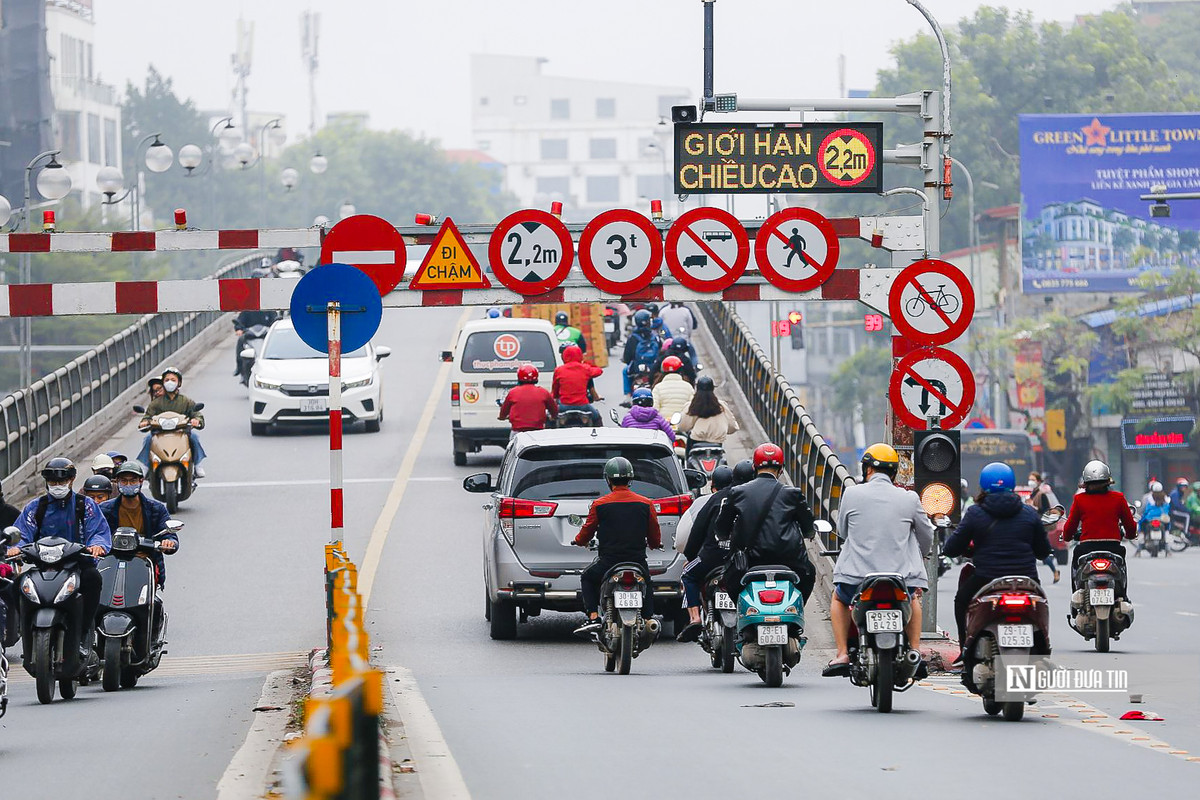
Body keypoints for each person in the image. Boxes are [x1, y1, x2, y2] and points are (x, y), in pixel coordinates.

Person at [823, 443, 933, 677]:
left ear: (868, 470)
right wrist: (921, 554)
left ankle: (842, 653)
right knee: (913, 597)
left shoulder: (852, 493)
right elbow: (926, 535)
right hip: (901, 578)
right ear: (893, 472)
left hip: (857, 577)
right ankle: (914, 651)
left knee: (839, 599)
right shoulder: (909, 498)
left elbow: (842, 531)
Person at [943, 462, 1054, 664]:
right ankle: (1043, 644)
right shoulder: (1029, 513)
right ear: (1012, 485)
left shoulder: (975, 513)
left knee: (961, 601)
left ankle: (965, 650)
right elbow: (1043, 551)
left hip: (986, 579)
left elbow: (951, 549)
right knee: (1041, 603)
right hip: (1026, 580)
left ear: (983, 486)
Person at [6, 458, 111, 659]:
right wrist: (15, 548)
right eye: (53, 482)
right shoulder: (36, 507)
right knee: (16, 585)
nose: (57, 486)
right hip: (43, 568)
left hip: (77, 567)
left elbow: (98, 531)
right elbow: (22, 532)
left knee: (93, 579)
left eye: (61, 482)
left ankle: (82, 634)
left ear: (72, 480)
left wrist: (97, 546)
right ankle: (28, 632)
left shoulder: (85, 506)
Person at [715, 442, 816, 615]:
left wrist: (724, 536)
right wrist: (809, 533)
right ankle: (795, 612)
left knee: (728, 580)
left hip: (749, 562)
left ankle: (743, 617)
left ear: (754, 467)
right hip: (790, 561)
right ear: (781, 468)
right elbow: (808, 526)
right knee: (809, 573)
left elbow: (722, 528)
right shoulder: (793, 494)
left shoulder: (737, 492)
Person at [571, 457, 662, 636]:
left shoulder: (600, 504)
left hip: (609, 562)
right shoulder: (646, 503)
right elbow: (654, 533)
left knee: (587, 578)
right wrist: (654, 544)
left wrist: (579, 541)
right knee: (648, 583)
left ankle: (594, 616)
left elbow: (586, 532)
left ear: (608, 479)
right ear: (630, 479)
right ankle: (649, 617)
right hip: (636, 561)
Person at [675, 464, 739, 642]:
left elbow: (697, 531)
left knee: (687, 574)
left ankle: (694, 618)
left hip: (710, 558)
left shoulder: (711, 500)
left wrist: (691, 556)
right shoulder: (745, 497)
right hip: (737, 560)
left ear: (713, 487)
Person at [1062, 460, 1137, 599]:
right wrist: (1131, 534)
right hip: (1113, 548)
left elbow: (1070, 527)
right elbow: (1130, 526)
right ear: (1107, 482)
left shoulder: (1079, 499)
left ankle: (1076, 596)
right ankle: (1123, 596)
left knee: (1075, 565)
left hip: (1086, 549)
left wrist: (1066, 537)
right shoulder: (1118, 498)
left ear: (1086, 483)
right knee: (1121, 569)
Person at [99, 461, 177, 588]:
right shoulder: (104, 509)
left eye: (133, 480)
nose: (128, 484)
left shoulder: (156, 509)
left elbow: (169, 535)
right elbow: (95, 533)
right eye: (124, 481)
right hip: (112, 564)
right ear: (117, 481)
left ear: (141, 481)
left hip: (143, 564)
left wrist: (168, 542)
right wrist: (96, 546)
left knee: (154, 604)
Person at [137, 367, 207, 478]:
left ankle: (197, 465)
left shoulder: (185, 401)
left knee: (194, 437)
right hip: (159, 433)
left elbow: (196, 413)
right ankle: (146, 466)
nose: (170, 382)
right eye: (167, 380)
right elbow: (147, 416)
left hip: (182, 432)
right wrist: (145, 422)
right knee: (148, 439)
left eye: (173, 380)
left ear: (179, 383)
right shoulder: (156, 403)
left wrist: (196, 420)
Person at [676, 376, 739, 447]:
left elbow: (682, 426)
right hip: (717, 443)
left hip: (696, 442)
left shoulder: (692, 406)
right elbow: (732, 426)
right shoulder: (721, 406)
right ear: (712, 389)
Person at [551, 344, 602, 425]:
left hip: (564, 406)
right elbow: (599, 371)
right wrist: (588, 364)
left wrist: (555, 397)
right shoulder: (585, 368)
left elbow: (555, 390)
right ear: (580, 356)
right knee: (596, 417)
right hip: (583, 405)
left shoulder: (559, 370)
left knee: (551, 419)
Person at [498, 364, 557, 433]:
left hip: (518, 430)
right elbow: (554, 409)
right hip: (538, 430)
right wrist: (553, 416)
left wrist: (502, 417)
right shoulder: (543, 392)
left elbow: (504, 411)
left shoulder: (513, 392)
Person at [622, 309, 662, 398]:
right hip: (654, 368)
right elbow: (661, 353)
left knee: (625, 371)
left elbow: (627, 358)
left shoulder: (632, 338)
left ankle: (627, 396)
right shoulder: (656, 337)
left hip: (636, 369)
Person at [233, 309, 279, 379]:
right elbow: (240, 321)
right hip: (250, 336)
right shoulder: (247, 310)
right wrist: (239, 329)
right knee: (240, 340)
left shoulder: (269, 310)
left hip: (265, 336)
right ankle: (239, 366)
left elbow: (275, 320)